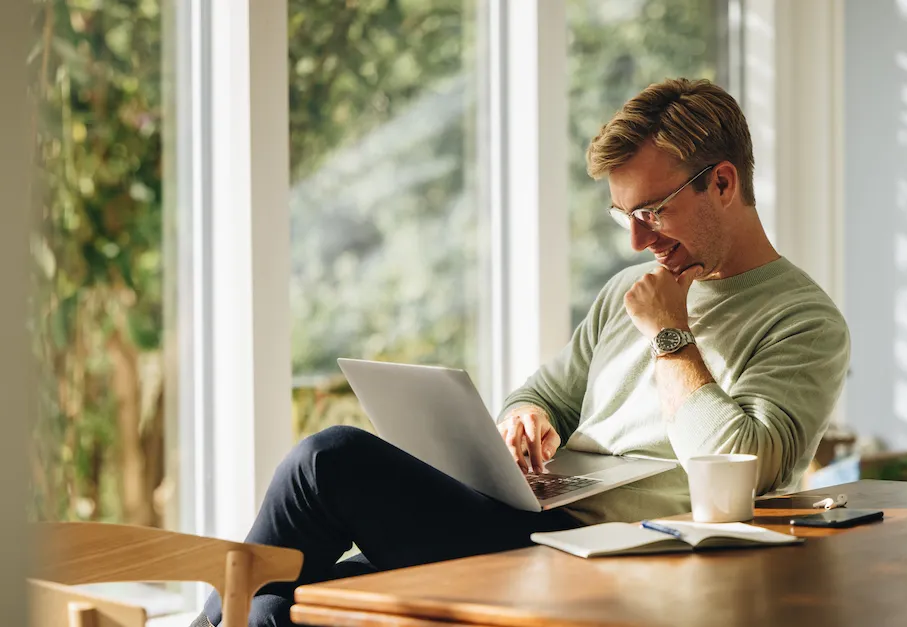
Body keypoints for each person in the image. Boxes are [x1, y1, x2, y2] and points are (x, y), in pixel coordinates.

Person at [193, 78, 850, 627]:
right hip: (524, 520)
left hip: (612, 556)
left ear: (724, 183)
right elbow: (544, 394)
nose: (636, 243)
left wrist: (669, 334)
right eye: (625, 217)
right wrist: (524, 418)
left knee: (328, 459)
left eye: (652, 211)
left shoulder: (804, 321)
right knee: (279, 605)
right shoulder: (628, 291)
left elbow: (747, 466)